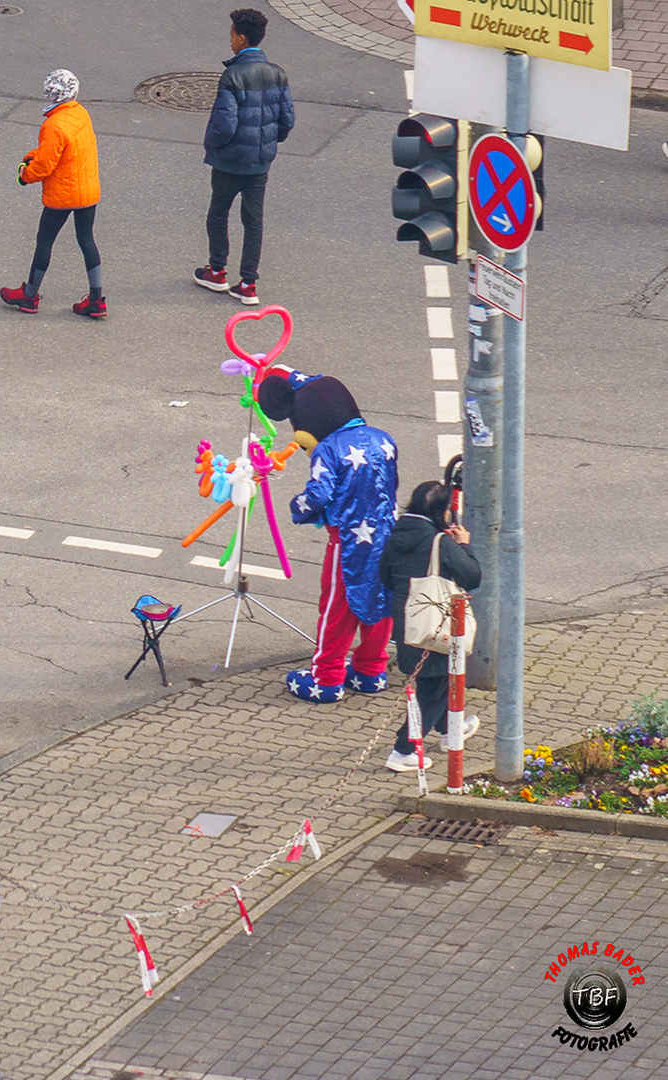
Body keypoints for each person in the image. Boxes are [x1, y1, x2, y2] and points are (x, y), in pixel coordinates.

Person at [258, 366, 398, 703]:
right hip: (385, 537)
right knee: (379, 602)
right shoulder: (383, 438)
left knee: (337, 607)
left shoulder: (329, 449)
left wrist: (299, 508)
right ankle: (371, 671)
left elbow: (319, 494)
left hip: (347, 542)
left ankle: (327, 677)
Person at [378, 481, 482, 772]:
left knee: (430, 681)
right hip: (436, 624)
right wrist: (464, 545)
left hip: (407, 623)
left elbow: (385, 576)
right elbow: (472, 576)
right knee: (434, 690)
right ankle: (404, 750)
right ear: (442, 511)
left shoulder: (397, 534)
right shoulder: (441, 542)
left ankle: (451, 731)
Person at [194, 8, 294, 307]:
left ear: (241, 37)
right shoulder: (277, 73)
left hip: (229, 161)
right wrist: (268, 141)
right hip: (260, 163)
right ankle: (248, 284)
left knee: (218, 213)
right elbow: (287, 119)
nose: (230, 41)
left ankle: (217, 270)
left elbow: (225, 124)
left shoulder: (233, 75)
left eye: (231, 36)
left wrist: (211, 145)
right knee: (253, 221)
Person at [0, 69, 106, 318]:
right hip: (87, 191)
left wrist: (24, 174)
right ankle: (96, 299)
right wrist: (36, 155)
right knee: (87, 240)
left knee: (45, 241)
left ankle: (29, 296)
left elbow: (44, 166)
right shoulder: (80, 113)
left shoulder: (53, 125)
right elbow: (64, 153)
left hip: (62, 195)